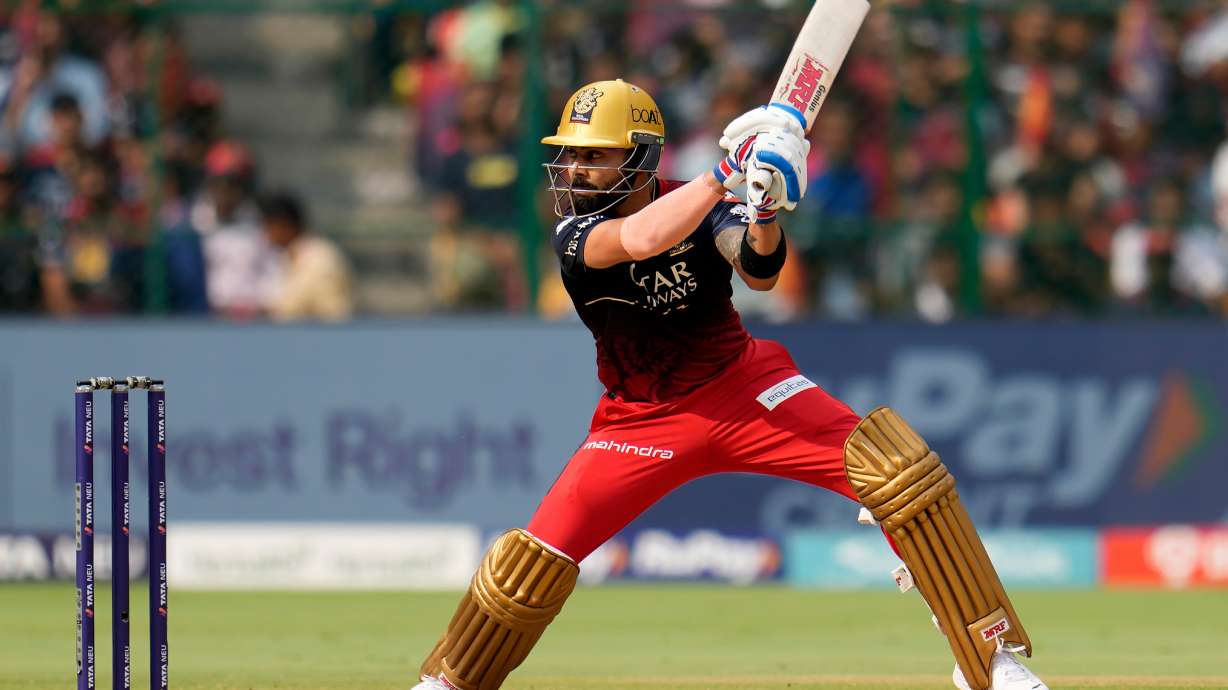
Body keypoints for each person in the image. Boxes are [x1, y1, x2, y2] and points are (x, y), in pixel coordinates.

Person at [411, 80, 1047, 690]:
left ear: (640, 158)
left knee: (895, 468)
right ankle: (450, 680)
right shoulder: (574, 233)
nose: (575, 169)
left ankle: (988, 659)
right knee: (533, 559)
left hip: (745, 389)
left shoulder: (705, 205)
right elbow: (643, 237)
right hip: (643, 420)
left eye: (594, 156)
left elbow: (759, 269)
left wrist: (764, 208)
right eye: (571, 155)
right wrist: (727, 171)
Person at [258, 191, 354, 321]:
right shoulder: (289, 257)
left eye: (268, 227)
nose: (265, 235)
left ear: (284, 224)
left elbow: (292, 308)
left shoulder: (320, 258)